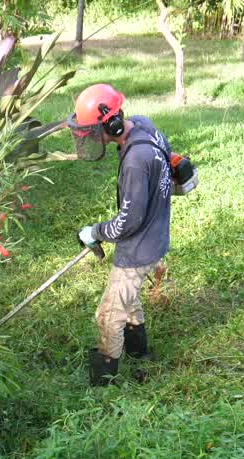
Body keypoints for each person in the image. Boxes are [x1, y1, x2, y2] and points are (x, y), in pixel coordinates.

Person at [67, 83, 174, 387]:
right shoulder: (144, 126)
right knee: (129, 299)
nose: (90, 138)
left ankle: (104, 382)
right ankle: (139, 352)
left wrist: (95, 231)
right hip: (155, 236)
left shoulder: (135, 161)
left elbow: (127, 222)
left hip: (138, 246)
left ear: (111, 124)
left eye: (92, 131)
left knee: (109, 313)